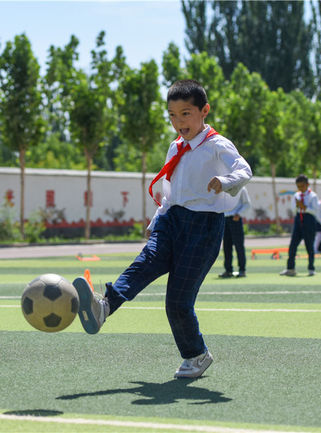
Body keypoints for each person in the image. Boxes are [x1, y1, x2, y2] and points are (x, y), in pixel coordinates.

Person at [71, 80, 252, 379]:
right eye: (172, 115)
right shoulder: (175, 147)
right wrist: (157, 218)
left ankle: (196, 355)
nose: (179, 122)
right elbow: (171, 192)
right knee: (144, 263)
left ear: (204, 111)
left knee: (178, 301)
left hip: (203, 227)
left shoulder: (217, 144)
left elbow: (244, 169)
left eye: (186, 114)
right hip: (171, 222)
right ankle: (104, 307)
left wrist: (225, 181)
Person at [280, 174, 320, 276]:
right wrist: (298, 206)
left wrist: (304, 207)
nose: (300, 188)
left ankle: (311, 268)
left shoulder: (313, 196)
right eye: (298, 186)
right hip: (298, 220)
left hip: (309, 221)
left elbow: (315, 211)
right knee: (293, 245)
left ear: (307, 184)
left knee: (309, 246)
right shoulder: (296, 195)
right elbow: (294, 210)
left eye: (302, 186)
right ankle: (290, 268)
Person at [219, 187, 251, 278]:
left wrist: (239, 214)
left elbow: (247, 204)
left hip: (235, 218)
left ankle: (242, 269)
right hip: (225, 218)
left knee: (239, 245)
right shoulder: (224, 187)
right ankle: (228, 270)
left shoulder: (242, 188)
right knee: (226, 246)